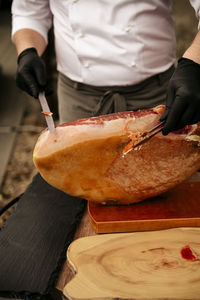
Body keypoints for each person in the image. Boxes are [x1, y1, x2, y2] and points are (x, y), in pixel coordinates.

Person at [11, 1, 200, 133]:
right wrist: (28, 51)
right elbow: (30, 11)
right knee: (81, 180)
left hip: (157, 96)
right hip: (78, 99)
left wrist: (194, 65)